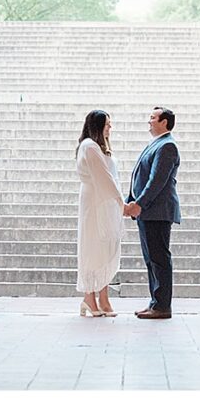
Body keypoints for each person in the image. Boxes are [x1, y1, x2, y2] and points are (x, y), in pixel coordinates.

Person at [124, 106, 181, 319]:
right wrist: (132, 201)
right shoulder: (158, 144)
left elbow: (156, 181)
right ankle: (156, 302)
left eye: (152, 118)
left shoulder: (167, 146)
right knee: (151, 259)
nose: (149, 121)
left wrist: (138, 204)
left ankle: (162, 306)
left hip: (157, 211)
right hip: (148, 212)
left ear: (164, 122)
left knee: (159, 258)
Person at [75, 109, 124, 317]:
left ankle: (103, 298)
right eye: (106, 125)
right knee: (92, 247)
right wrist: (122, 203)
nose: (110, 128)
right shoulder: (89, 146)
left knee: (104, 248)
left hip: (104, 204)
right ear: (97, 126)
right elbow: (103, 177)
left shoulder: (99, 147)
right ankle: (89, 297)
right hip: (95, 203)